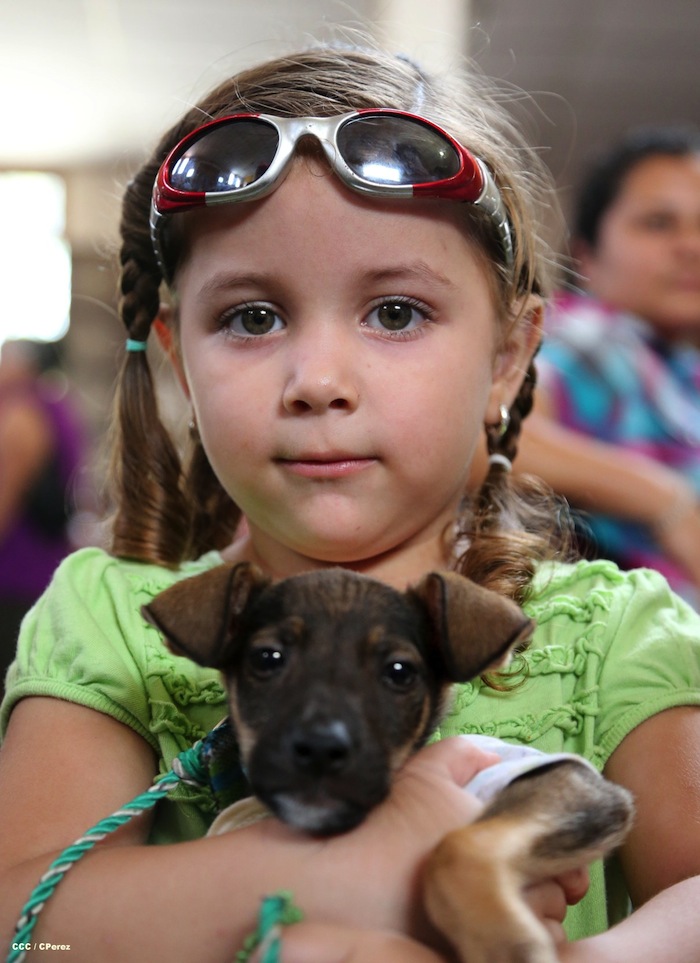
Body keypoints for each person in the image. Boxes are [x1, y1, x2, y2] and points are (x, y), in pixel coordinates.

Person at [0, 43, 698, 963]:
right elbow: (20, 918)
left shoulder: (617, 631)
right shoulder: (111, 622)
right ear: (178, 358)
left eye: (396, 312)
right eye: (252, 317)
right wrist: (340, 872)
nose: (318, 380)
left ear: (508, 357)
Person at [513, 126, 700, 606]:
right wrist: (666, 501)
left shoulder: (679, 369)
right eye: (659, 223)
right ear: (587, 257)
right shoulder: (592, 337)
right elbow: (491, 436)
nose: (691, 246)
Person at [0, 339, 84, 693]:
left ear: (26, 366)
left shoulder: (22, 415)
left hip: (13, 579)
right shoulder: (57, 405)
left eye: (5, 357)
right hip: (39, 575)